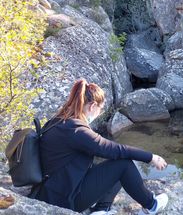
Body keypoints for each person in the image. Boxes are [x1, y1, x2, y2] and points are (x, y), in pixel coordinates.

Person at [32, 79, 169, 215]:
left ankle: (101, 210)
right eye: (101, 109)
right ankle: (152, 205)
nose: (100, 112)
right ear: (92, 106)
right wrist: (150, 157)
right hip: (65, 200)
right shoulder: (76, 131)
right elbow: (115, 150)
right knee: (124, 164)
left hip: (52, 189)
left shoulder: (58, 120)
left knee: (115, 163)